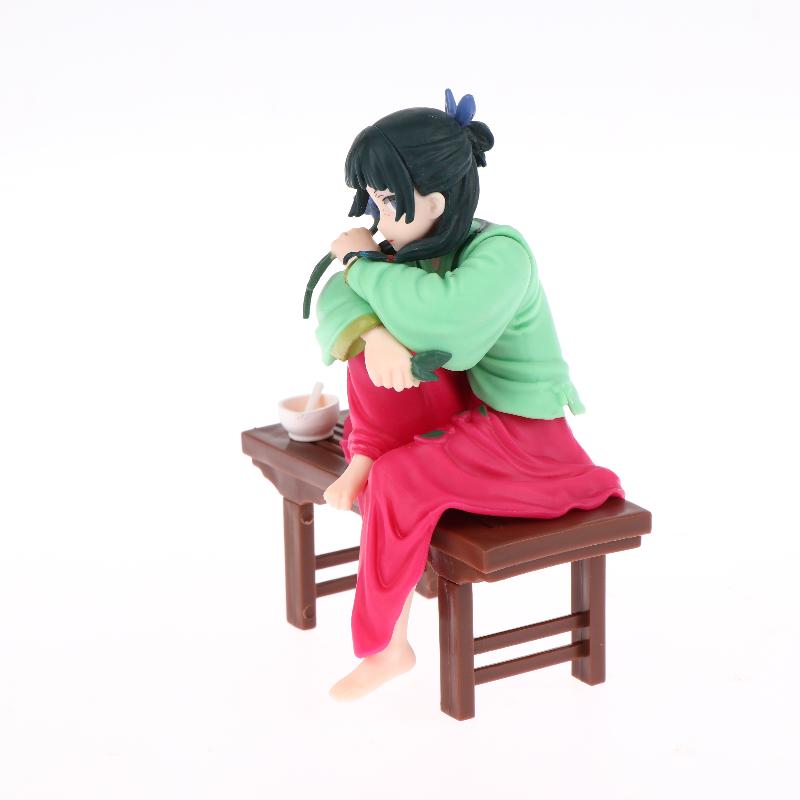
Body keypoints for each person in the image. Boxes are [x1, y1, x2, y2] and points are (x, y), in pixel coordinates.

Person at [313, 90, 625, 702]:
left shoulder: (500, 253)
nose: (378, 219)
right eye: (372, 202)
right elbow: (336, 300)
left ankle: (386, 647)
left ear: (432, 201)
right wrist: (374, 332)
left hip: (526, 438)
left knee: (397, 480)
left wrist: (362, 264)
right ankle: (366, 456)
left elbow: (442, 325)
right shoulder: (421, 249)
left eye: (387, 201)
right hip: (470, 413)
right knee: (371, 361)